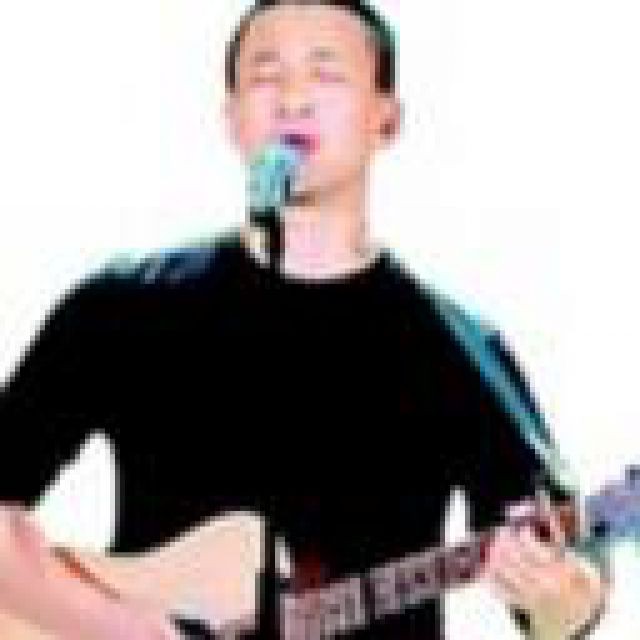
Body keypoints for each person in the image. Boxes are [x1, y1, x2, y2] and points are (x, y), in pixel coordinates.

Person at [0, 1, 608, 638]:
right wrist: (119, 627)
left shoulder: (456, 343)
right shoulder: (123, 307)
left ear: (386, 119)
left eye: (327, 74)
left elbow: (565, 599)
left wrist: (557, 591)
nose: (293, 100)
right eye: (266, 76)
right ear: (232, 118)